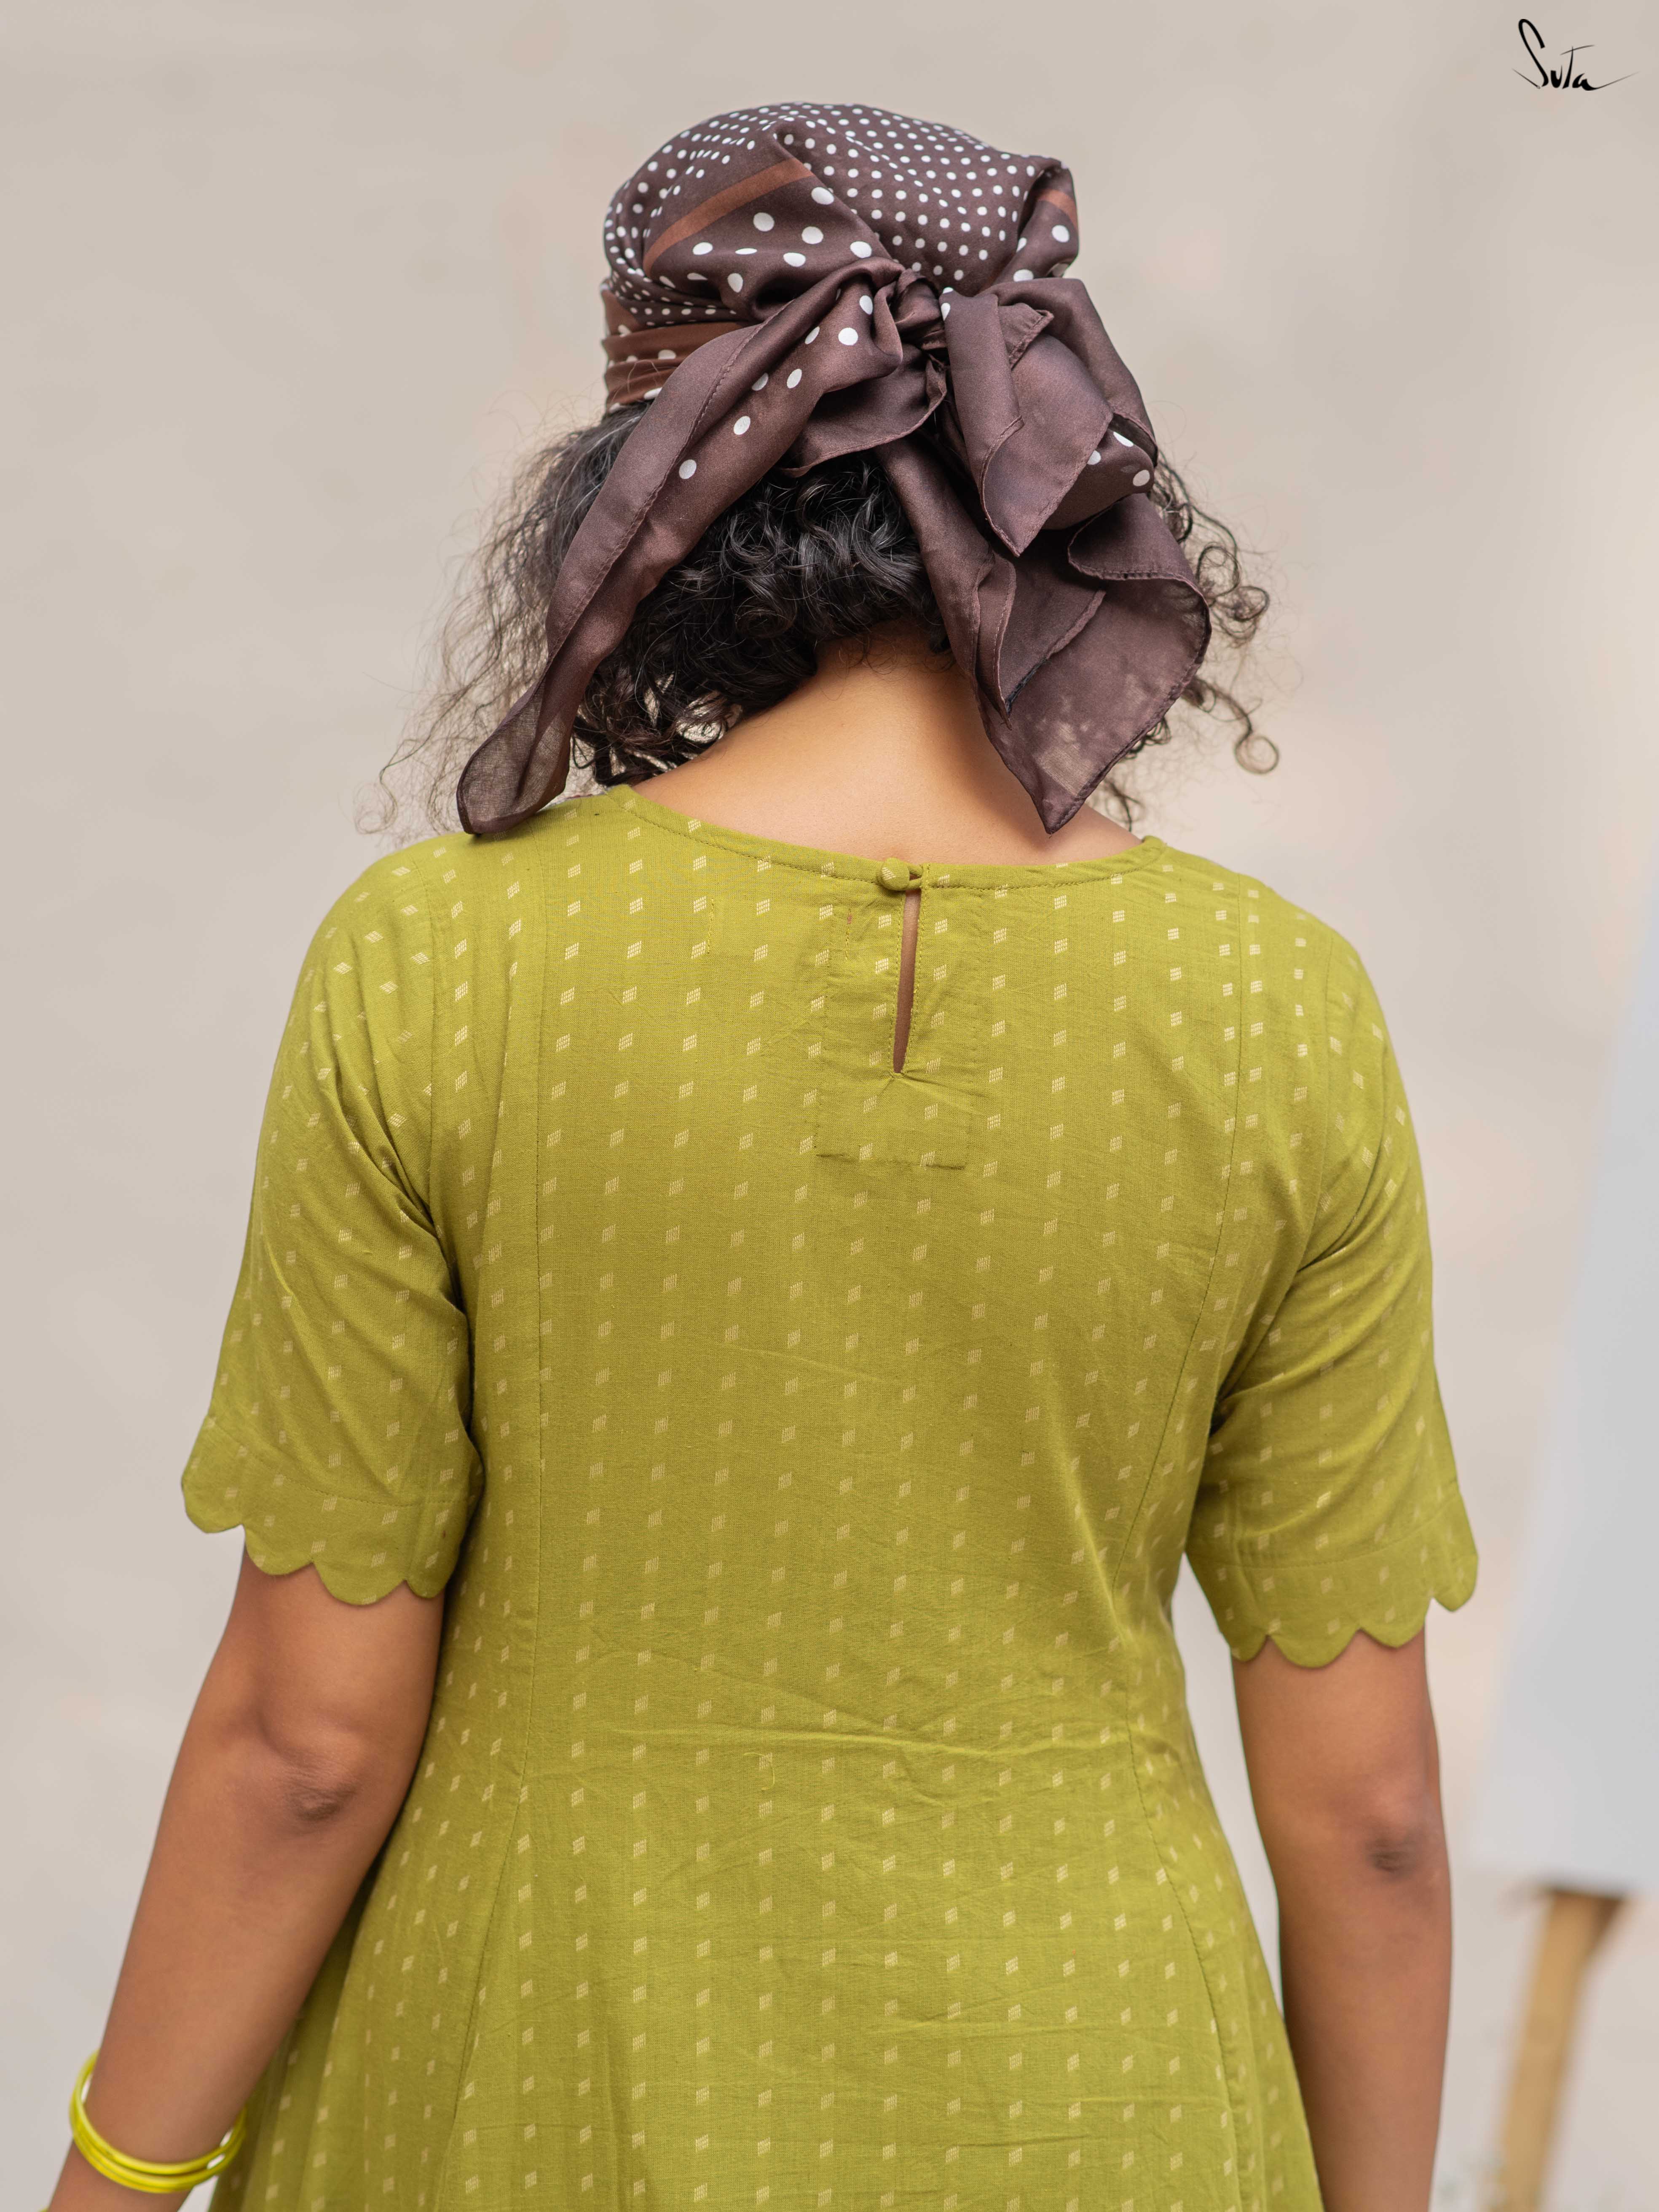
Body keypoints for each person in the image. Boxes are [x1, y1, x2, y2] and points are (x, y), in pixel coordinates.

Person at [44, 103, 1479, 2212]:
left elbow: (304, 1742)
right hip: (1102, 2111)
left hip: (526, 2093)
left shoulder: (443, 960)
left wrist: (109, 2178)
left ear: (663, 476)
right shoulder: (1279, 1008)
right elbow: (1370, 1814)